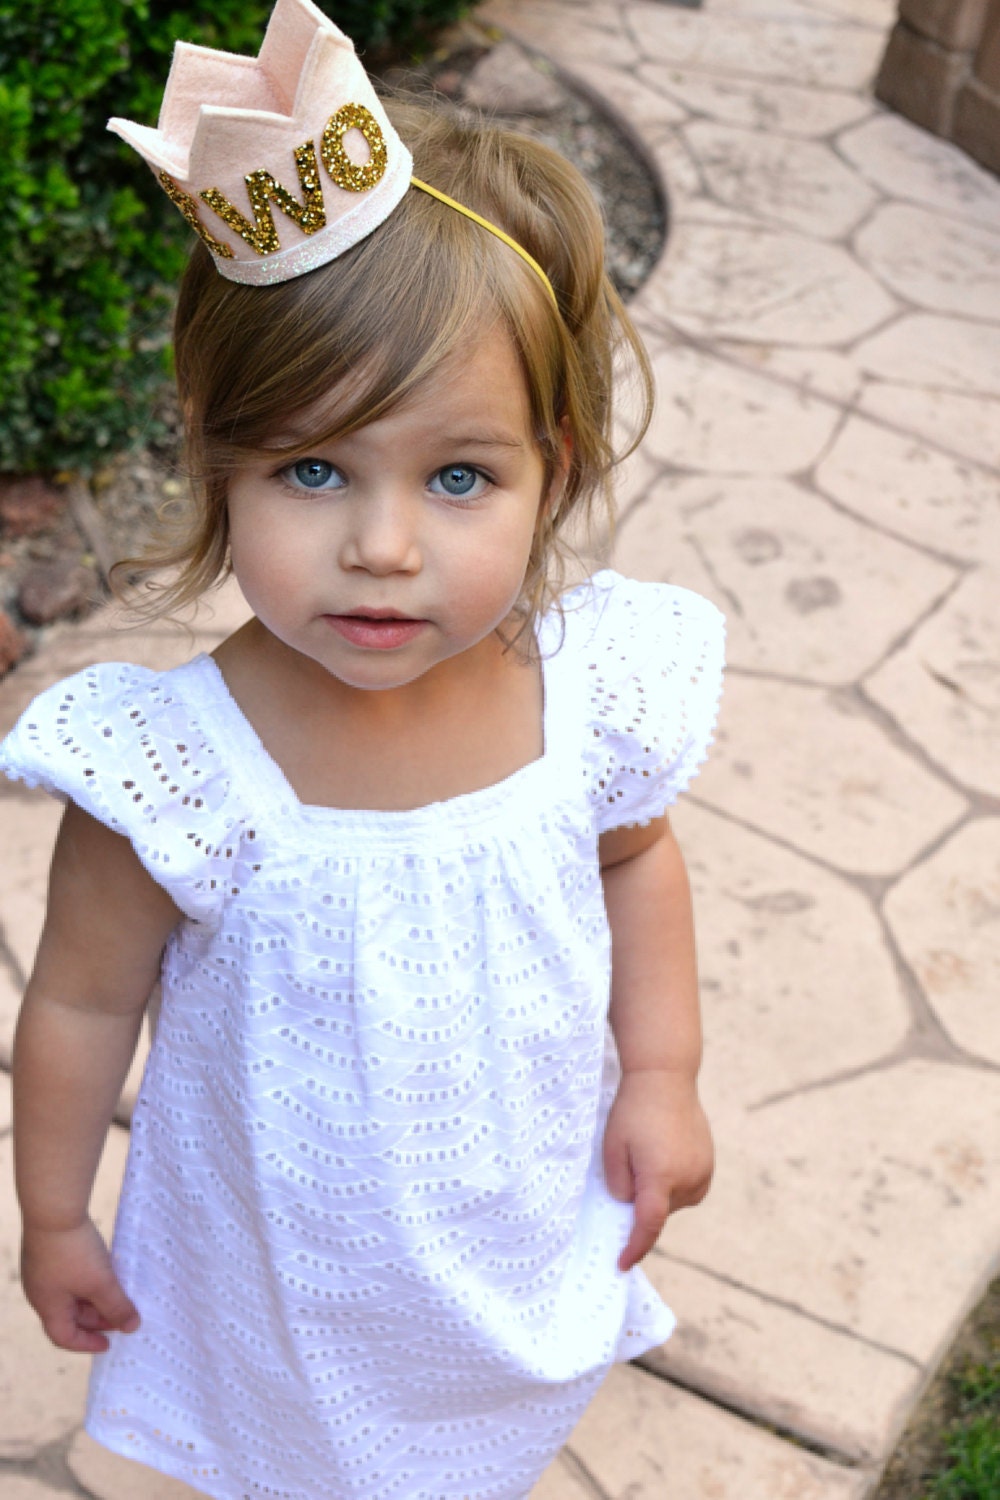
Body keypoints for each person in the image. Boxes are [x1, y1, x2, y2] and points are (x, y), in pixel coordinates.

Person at [0, 1, 724, 1495]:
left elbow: (640, 862)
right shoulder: (177, 772)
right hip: (278, 1264)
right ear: (217, 450)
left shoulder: (588, 696)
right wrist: (58, 1217)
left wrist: (662, 1074)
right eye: (314, 468)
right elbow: (74, 1008)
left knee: (464, 1446)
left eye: (459, 474)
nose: (382, 547)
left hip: (503, 1219)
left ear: (553, 474)